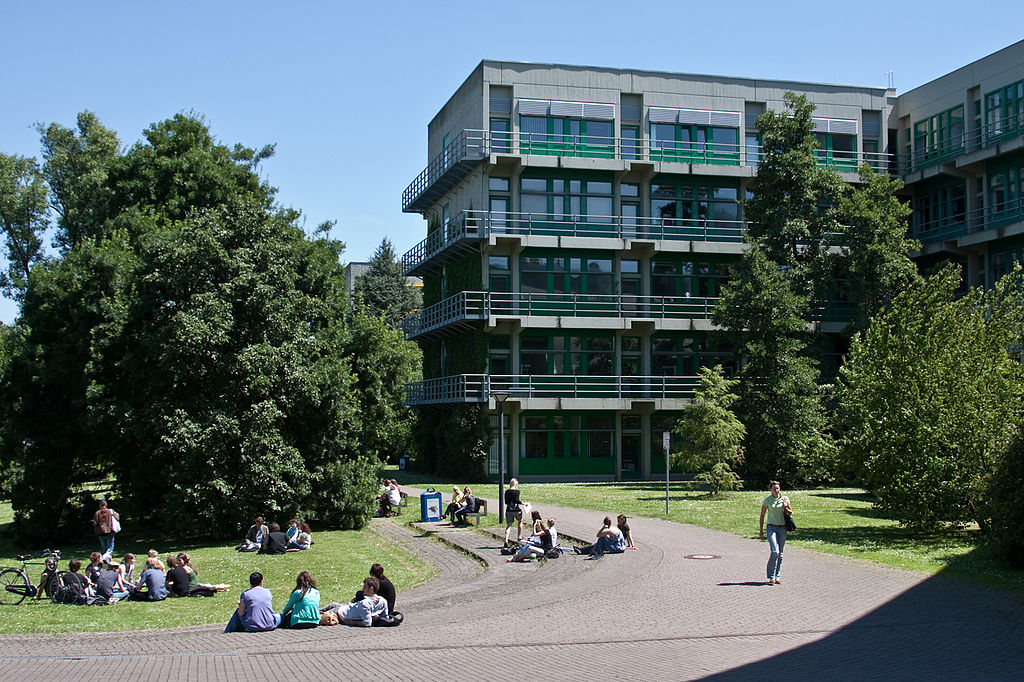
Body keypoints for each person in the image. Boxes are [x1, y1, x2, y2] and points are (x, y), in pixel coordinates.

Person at [759, 480, 792, 585]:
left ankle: (777, 576)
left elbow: (790, 512)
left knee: (780, 554)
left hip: (782, 528)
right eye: (774, 489)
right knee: (775, 552)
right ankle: (771, 576)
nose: (776, 490)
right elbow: (762, 515)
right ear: (770, 490)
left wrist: (786, 506)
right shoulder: (767, 500)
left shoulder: (784, 498)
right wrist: (761, 531)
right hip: (771, 527)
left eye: (778, 488)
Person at [321, 577, 388, 627]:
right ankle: (317, 610)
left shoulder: (365, 604)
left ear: (371, 589)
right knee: (333, 604)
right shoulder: (382, 601)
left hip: (341, 613)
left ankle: (313, 615)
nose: (363, 589)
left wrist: (352, 622)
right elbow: (385, 617)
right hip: (346, 607)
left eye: (365, 587)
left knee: (323, 616)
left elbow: (367, 623)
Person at [503, 478, 524, 546]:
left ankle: (506, 540)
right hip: (516, 510)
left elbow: (506, 502)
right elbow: (517, 500)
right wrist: (523, 503)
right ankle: (519, 536)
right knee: (520, 521)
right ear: (516, 485)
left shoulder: (507, 492)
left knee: (508, 525)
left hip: (509, 510)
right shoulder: (517, 491)